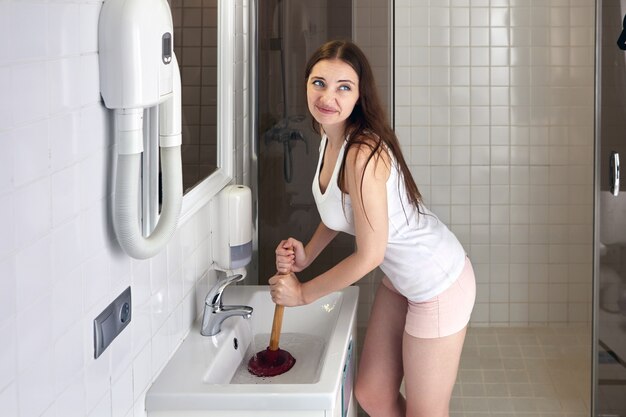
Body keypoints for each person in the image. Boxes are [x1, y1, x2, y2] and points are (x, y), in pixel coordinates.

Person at [268, 40, 476, 417]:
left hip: (438, 282)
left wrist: (302, 294)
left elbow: (370, 254)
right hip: (401, 281)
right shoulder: (328, 137)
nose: (328, 96)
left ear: (359, 95)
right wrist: (308, 254)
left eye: (343, 87)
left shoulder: (362, 152)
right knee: (371, 393)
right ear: (306, 84)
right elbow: (341, 210)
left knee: (427, 412)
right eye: (319, 83)